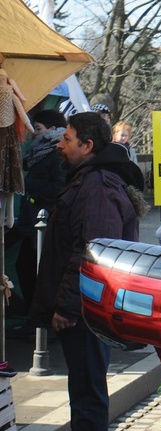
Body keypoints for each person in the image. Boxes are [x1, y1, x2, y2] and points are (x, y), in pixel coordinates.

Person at [29, 112, 147, 431]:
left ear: (87, 145)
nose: (60, 144)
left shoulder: (96, 186)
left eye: (67, 138)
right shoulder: (89, 180)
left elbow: (90, 253)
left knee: (88, 393)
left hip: (87, 311)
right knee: (84, 391)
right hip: (87, 309)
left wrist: (67, 306)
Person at [5, 110, 67, 318]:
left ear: (52, 130)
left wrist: (34, 194)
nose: (33, 133)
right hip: (31, 219)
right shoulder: (41, 152)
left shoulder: (54, 154)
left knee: (33, 268)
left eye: (38, 128)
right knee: (27, 266)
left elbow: (58, 186)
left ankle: (39, 320)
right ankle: (35, 317)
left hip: (41, 220)